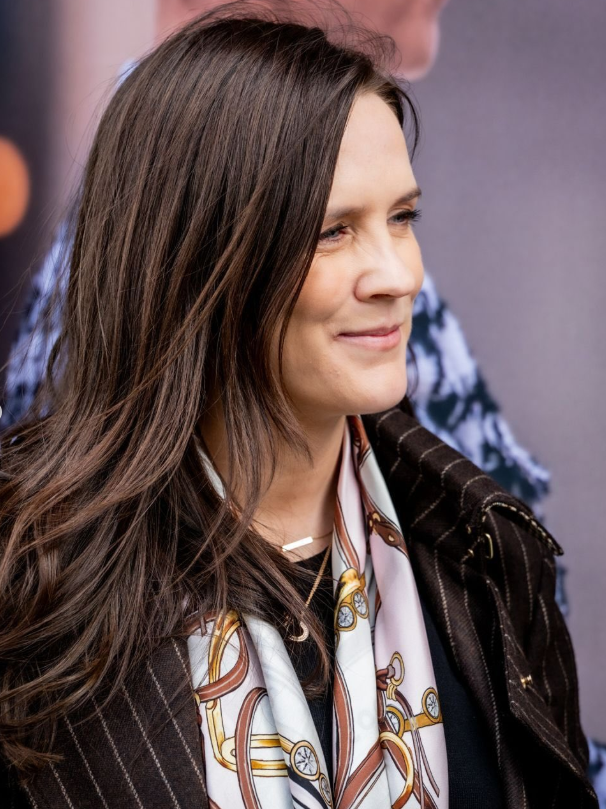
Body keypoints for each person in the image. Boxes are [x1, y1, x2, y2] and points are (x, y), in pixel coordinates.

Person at [0, 8, 596, 808]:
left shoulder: (485, 556)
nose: (398, 275)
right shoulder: (32, 582)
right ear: (198, 256)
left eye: (402, 218)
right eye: (333, 231)